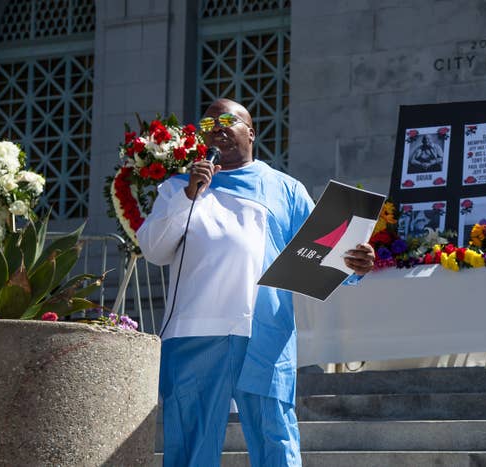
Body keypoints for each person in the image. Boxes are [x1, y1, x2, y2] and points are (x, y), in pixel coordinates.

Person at [137, 98, 375, 467]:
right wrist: (188, 196)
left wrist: (354, 264)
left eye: (228, 120)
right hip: (193, 331)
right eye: (207, 125)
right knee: (189, 438)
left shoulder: (286, 189)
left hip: (264, 330)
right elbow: (154, 249)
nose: (217, 127)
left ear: (251, 132)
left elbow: (323, 253)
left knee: (274, 435)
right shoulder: (178, 188)